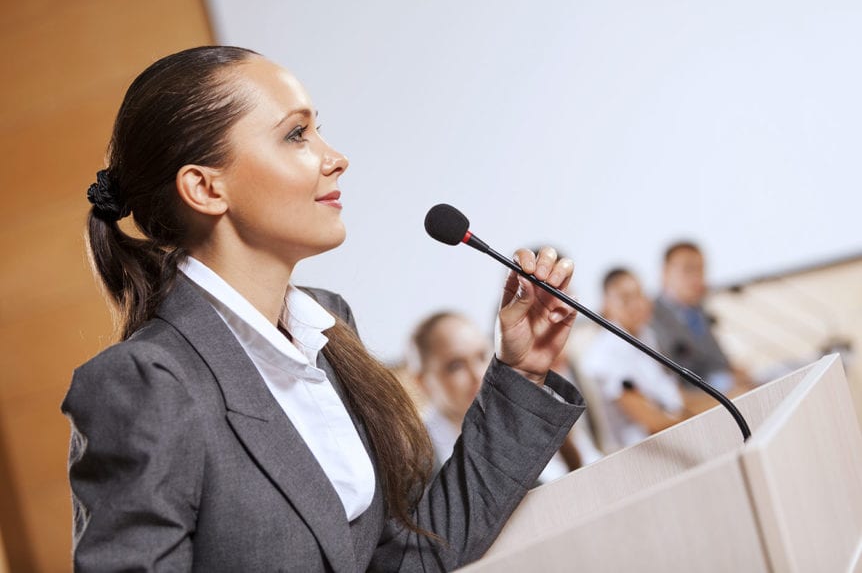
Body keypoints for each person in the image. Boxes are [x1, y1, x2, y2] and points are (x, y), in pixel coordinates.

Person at [61, 46, 585, 571]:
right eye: (296, 135)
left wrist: (521, 370)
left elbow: (412, 556)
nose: (335, 157)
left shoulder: (329, 330)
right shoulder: (144, 383)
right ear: (204, 187)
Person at [407, 312, 586, 482]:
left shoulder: (524, 414)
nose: (477, 374)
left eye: (482, 356)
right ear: (422, 382)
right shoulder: (417, 459)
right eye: (455, 366)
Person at [580, 268, 688, 448]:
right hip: (638, 455)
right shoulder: (602, 355)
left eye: (639, 295)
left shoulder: (646, 334)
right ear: (606, 305)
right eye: (625, 298)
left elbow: (675, 398)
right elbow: (652, 423)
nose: (636, 304)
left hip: (670, 437)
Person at [651, 241, 751, 392]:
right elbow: (675, 382)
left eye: (701, 270)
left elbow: (718, 361)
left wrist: (734, 373)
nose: (696, 278)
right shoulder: (651, 318)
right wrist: (727, 382)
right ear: (665, 273)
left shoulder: (698, 310)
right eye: (688, 270)